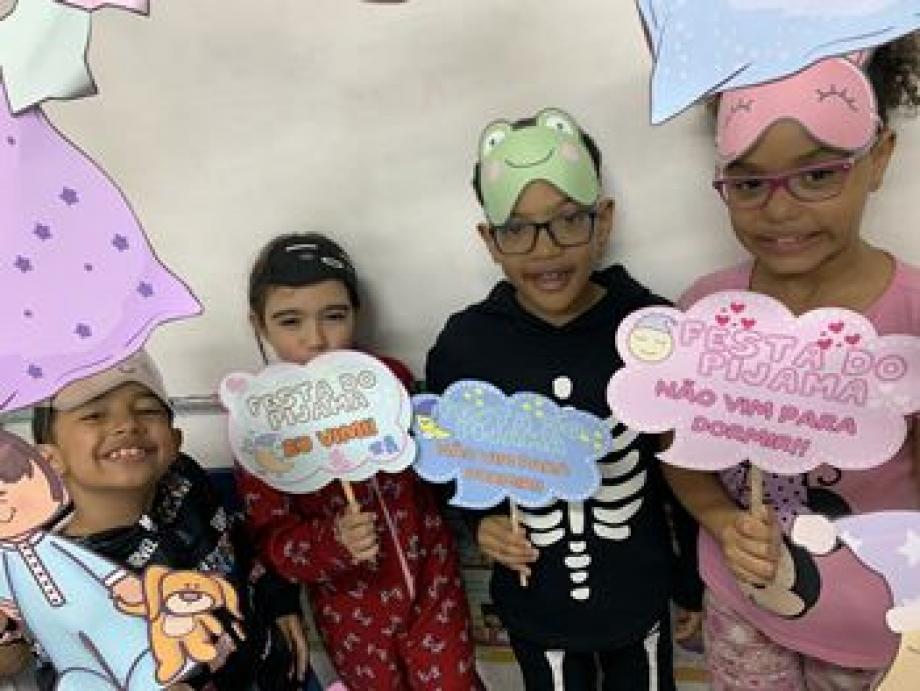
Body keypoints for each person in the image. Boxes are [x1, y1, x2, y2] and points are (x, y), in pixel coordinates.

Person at [665, 39, 920, 689]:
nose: (780, 210)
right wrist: (722, 520)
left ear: (879, 157)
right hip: (744, 611)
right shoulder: (706, 310)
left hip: (882, 629)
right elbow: (678, 449)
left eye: (817, 175)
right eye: (749, 183)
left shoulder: (913, 315)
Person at [426, 107, 702, 690]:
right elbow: (447, 459)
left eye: (568, 220)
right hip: (534, 603)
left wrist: (691, 584)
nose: (544, 249)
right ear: (489, 241)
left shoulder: (653, 332)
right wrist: (481, 522)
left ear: (604, 222)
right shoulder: (465, 345)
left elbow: (686, 467)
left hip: (640, 597)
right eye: (516, 228)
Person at [237, 232, 482, 690]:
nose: (316, 339)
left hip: (433, 587)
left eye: (334, 316)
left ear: (356, 312)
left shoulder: (392, 382)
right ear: (259, 324)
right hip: (351, 610)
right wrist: (334, 541)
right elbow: (274, 543)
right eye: (290, 321)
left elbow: (440, 462)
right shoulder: (259, 427)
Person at [25, 350, 311, 690]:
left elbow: (239, 541)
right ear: (49, 460)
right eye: (94, 415)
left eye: (147, 410)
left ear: (175, 440)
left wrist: (279, 600)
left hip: (276, 672)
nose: (128, 425)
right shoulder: (51, 573)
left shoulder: (185, 476)